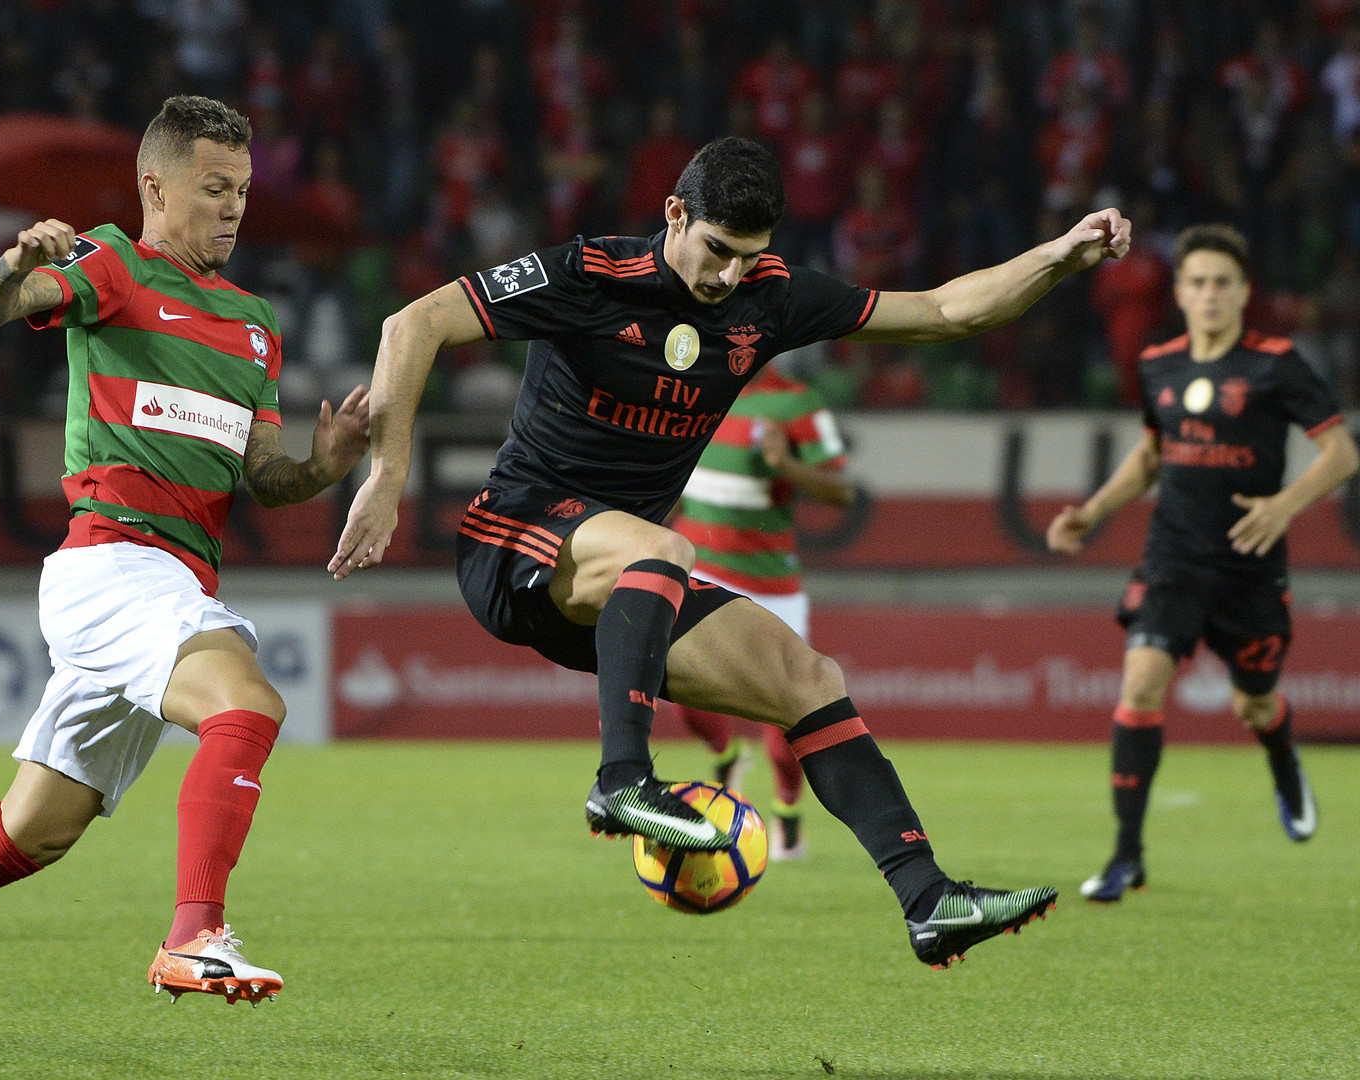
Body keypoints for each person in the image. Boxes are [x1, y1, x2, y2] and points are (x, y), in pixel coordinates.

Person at [330, 136, 1131, 968]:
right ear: (675, 213)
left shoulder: (770, 298)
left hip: (619, 588)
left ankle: (929, 900)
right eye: (715, 250)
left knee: (810, 682)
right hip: (513, 540)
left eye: (747, 259)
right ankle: (622, 782)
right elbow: (411, 322)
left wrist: (1059, 256)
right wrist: (388, 477)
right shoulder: (589, 274)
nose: (726, 277)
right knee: (664, 548)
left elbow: (942, 311)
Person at [0, 95, 371, 1062]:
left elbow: (264, 477)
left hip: (173, 581)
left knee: (28, 834)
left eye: (244, 192)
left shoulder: (255, 325)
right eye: (215, 189)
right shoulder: (114, 266)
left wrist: (328, 463)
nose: (233, 209)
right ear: (155, 187)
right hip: (112, 565)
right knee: (247, 705)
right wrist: (18, 262)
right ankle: (195, 934)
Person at [1047, 223, 1357, 903]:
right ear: (1180, 294)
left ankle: (1281, 758)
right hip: (1173, 559)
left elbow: (1343, 455)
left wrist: (1283, 505)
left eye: (1222, 282)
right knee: (1141, 685)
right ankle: (1126, 856)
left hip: (1249, 567)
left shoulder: (1277, 363)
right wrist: (1092, 512)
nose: (1210, 294)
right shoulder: (1160, 364)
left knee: (1255, 705)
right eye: (1198, 283)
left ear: (1244, 293)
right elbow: (1153, 455)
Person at [666, 366, 857, 860]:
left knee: (787, 718)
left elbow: (842, 491)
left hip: (770, 583)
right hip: (700, 568)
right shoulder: (691, 389)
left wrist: (784, 463)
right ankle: (726, 757)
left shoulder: (796, 404)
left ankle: (787, 813)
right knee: (682, 689)